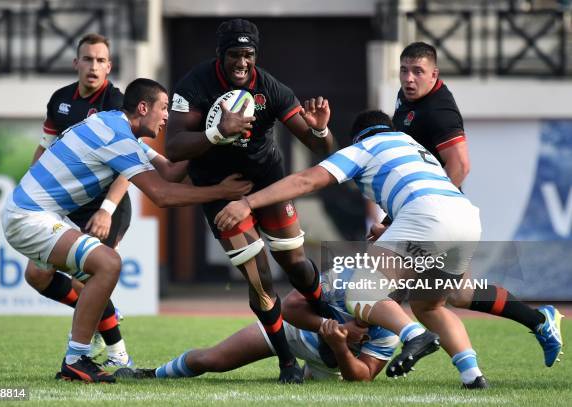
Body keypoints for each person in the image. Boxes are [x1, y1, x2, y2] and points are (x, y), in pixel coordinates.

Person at [216, 110, 493, 388]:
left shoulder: (365, 147)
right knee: (430, 305)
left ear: (358, 137)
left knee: (362, 291)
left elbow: (306, 181)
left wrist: (248, 203)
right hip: (467, 218)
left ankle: (413, 336)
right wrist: (391, 230)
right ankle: (472, 375)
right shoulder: (412, 145)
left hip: (426, 216)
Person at [2, 78, 253, 383]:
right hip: (29, 217)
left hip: (36, 214)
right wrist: (220, 191)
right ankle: (76, 359)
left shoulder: (116, 128)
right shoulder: (118, 137)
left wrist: (212, 136)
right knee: (108, 264)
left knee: (78, 276)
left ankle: (111, 352)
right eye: (162, 109)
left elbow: (172, 172)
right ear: (143, 108)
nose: (165, 117)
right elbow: (162, 195)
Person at [166, 18, 338, 383]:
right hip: (222, 191)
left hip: (266, 185)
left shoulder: (271, 87)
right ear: (220, 56)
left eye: (248, 55)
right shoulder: (195, 85)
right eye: (234, 55)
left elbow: (320, 148)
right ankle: (287, 362)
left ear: (256, 56)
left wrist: (321, 129)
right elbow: (174, 146)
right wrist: (216, 133)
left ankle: (331, 318)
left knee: (294, 263)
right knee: (259, 276)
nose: (241, 63)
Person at [391, 42, 563, 367]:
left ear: (434, 74)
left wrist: (416, 209)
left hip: (436, 216)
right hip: (436, 213)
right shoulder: (407, 99)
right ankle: (536, 324)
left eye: (418, 72)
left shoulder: (438, 110)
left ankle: (352, 352)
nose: (409, 78)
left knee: (381, 282)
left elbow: (460, 166)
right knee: (454, 295)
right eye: (404, 70)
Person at [25, 33, 140, 367]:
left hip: (106, 206)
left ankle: (118, 356)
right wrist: (33, 191)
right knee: (37, 275)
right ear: (76, 63)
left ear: (109, 66)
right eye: (87, 59)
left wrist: (107, 210)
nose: (94, 66)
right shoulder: (60, 99)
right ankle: (102, 311)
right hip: (67, 205)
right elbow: (45, 149)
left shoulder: (116, 103)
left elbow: (128, 164)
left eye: (100, 60)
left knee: (87, 274)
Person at [114, 269, 400, 382]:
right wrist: (326, 324)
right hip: (293, 331)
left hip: (332, 360)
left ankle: (312, 369)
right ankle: (153, 374)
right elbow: (287, 307)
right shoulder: (342, 277)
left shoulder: (390, 325)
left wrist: (340, 346)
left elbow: (363, 376)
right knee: (212, 359)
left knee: (315, 388)